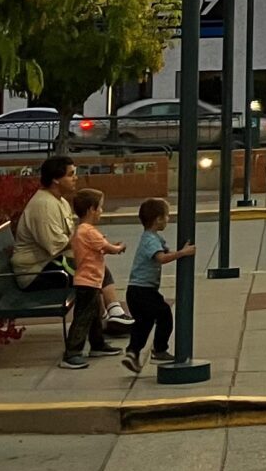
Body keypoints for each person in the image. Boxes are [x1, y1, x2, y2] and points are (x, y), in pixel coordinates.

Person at [13, 155, 132, 331]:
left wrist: (93, 243)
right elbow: (55, 244)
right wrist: (91, 243)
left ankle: (111, 316)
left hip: (47, 264)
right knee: (89, 272)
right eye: (70, 174)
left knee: (92, 264)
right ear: (56, 179)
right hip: (34, 273)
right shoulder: (44, 206)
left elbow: (70, 239)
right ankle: (107, 319)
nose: (75, 178)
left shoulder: (58, 201)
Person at [122, 198, 196, 374]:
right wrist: (182, 253)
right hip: (143, 290)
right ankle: (159, 350)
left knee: (144, 322)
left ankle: (132, 353)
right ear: (158, 219)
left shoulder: (154, 238)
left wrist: (178, 252)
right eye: (167, 216)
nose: (168, 219)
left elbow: (166, 252)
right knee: (164, 314)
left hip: (136, 291)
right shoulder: (150, 240)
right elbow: (161, 258)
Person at [61, 188, 125, 368]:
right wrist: (119, 248)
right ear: (91, 209)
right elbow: (106, 247)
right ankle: (72, 353)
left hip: (90, 281)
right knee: (83, 318)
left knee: (95, 315)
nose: (102, 212)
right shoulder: (88, 231)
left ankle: (97, 344)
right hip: (88, 282)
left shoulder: (81, 230)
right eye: (100, 208)